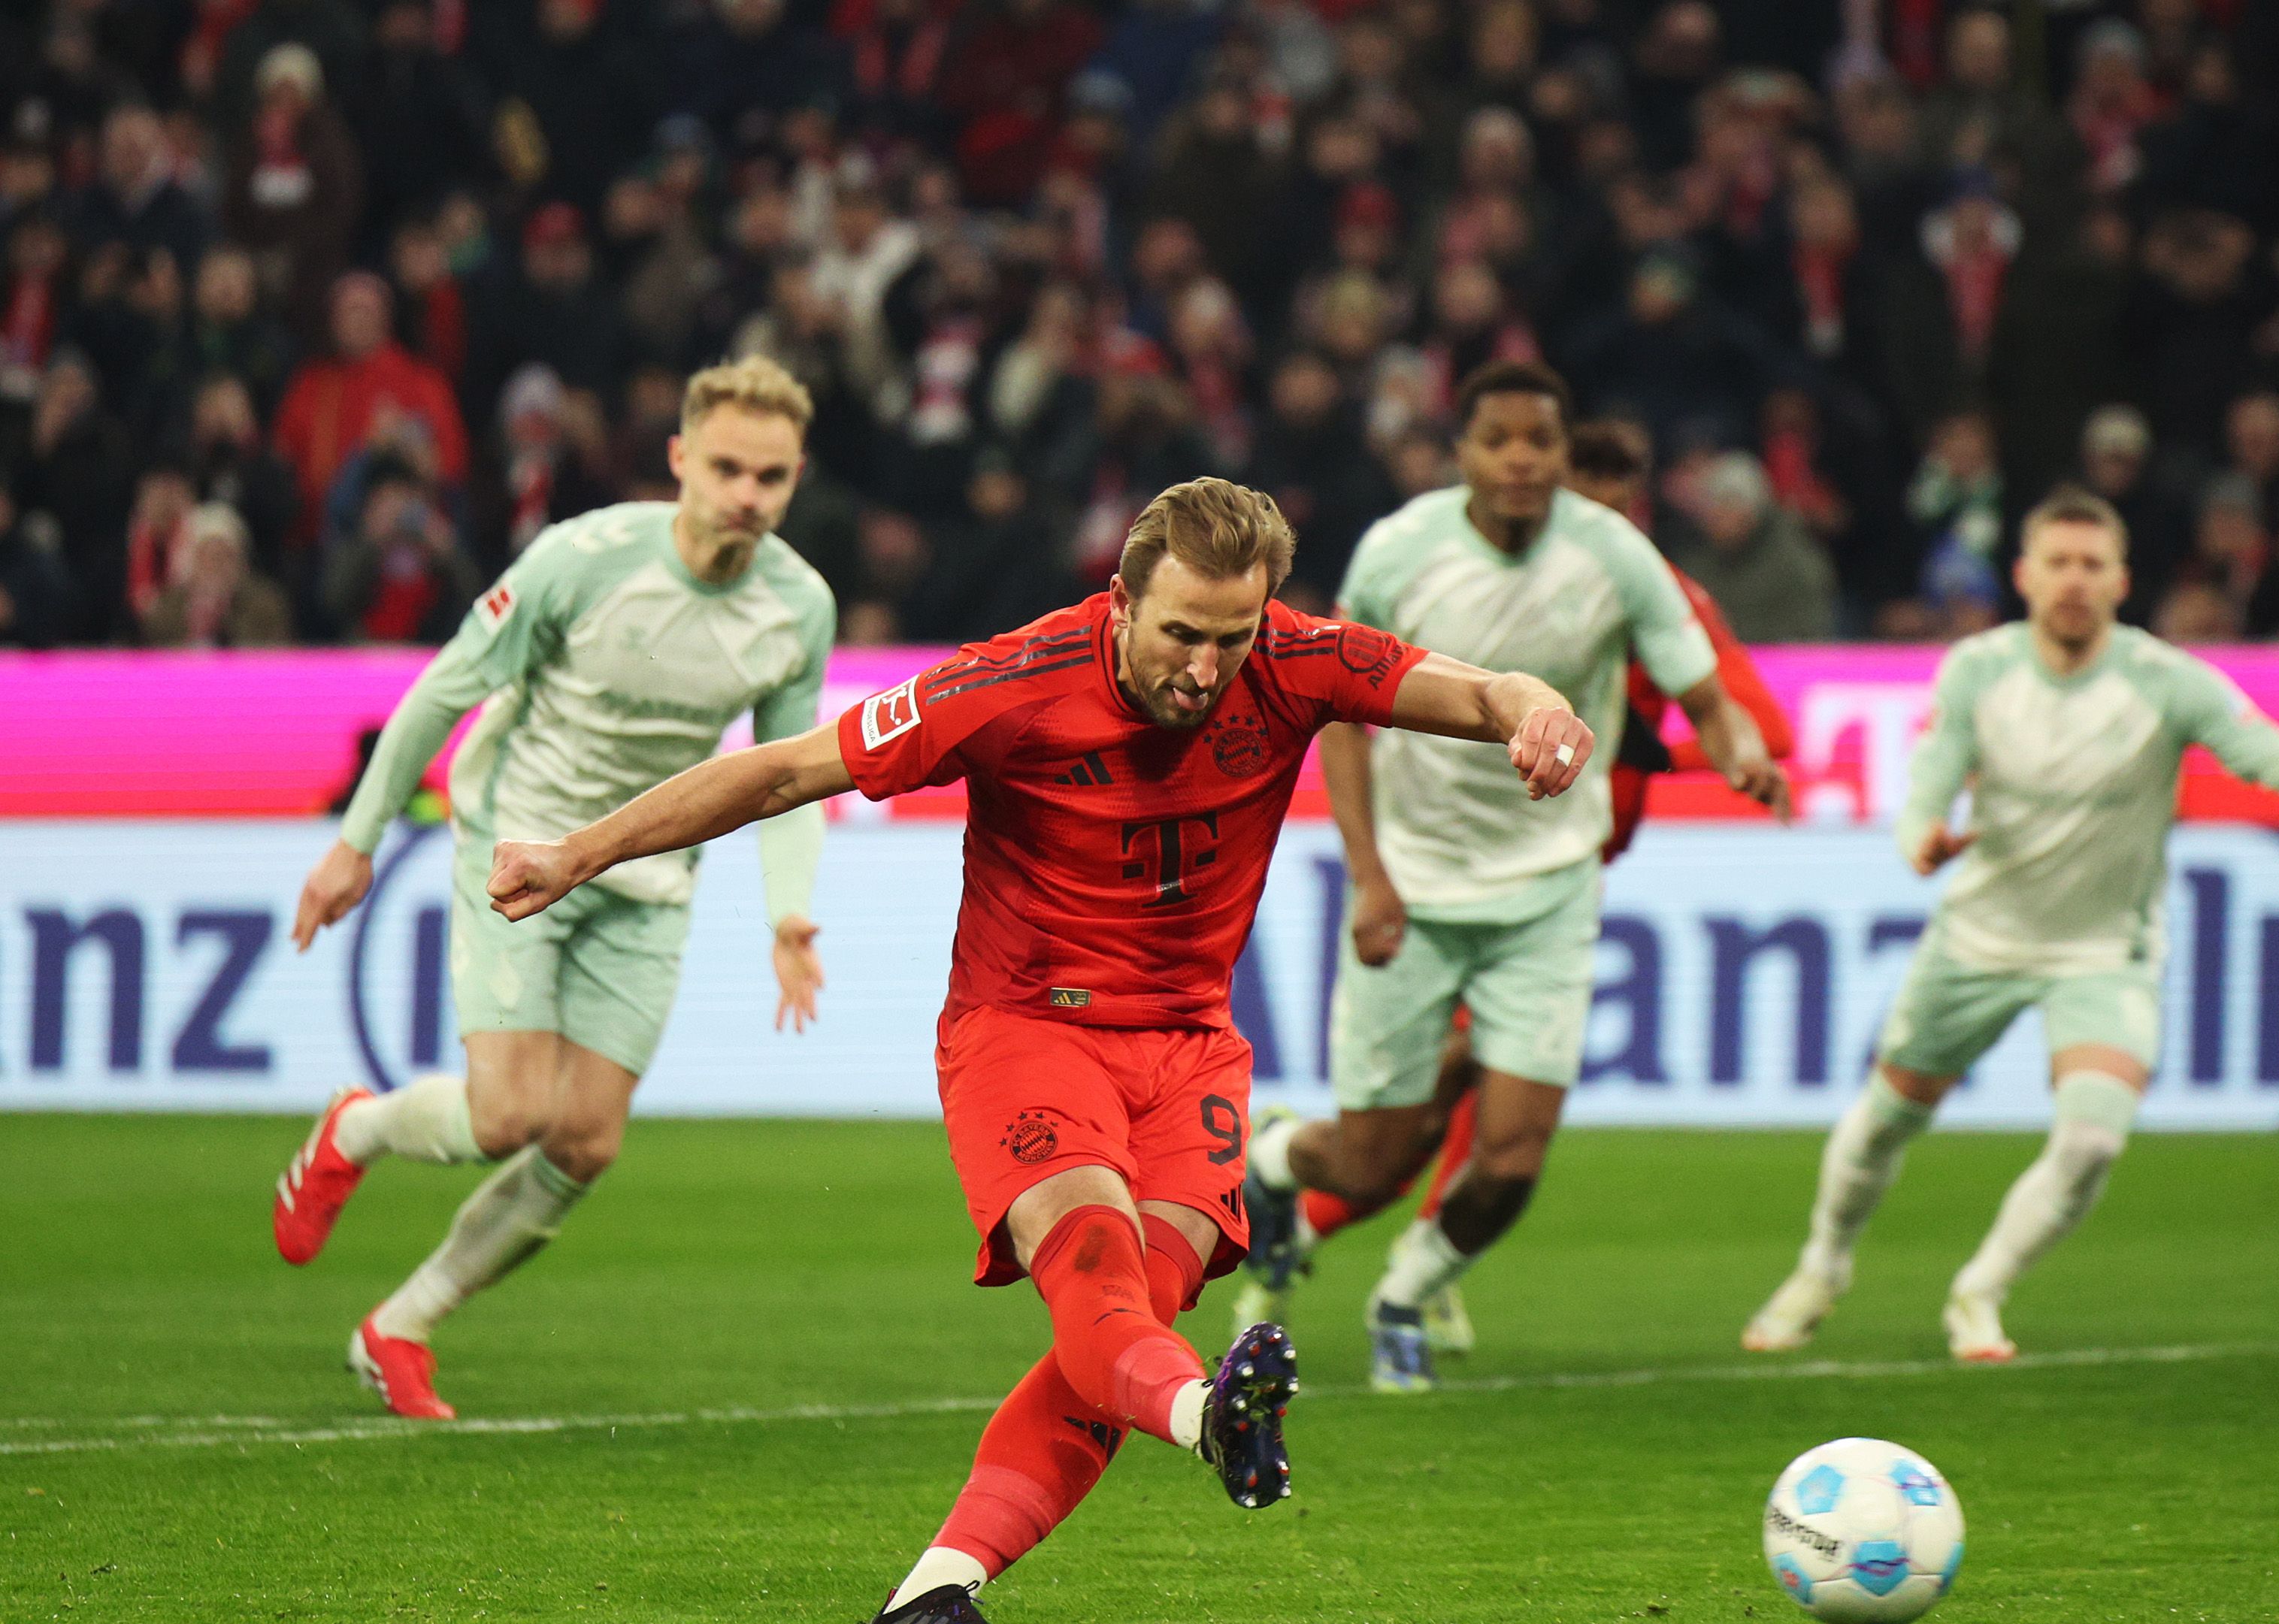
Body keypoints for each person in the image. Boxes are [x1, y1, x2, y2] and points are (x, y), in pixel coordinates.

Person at [480, 474, 1600, 1624]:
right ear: (1120, 601)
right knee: (1101, 1282)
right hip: (1029, 1031)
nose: (1206, 670)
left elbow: (1482, 690)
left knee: (1122, 1336)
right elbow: (780, 769)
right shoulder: (1006, 683)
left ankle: (936, 1590)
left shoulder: (1296, 658)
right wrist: (579, 853)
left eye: (1232, 638)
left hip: (1191, 1050)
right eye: (1181, 635)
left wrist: (1538, 712)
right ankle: (1204, 1419)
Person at [269, 356, 838, 1420]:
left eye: (771, 476)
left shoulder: (799, 606)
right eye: (726, 468)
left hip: (650, 876)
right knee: (507, 1116)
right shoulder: (582, 559)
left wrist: (788, 913)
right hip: (519, 844)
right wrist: (356, 841)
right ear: (679, 458)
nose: (747, 494)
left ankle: (401, 1324)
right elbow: (443, 689)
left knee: (584, 1141)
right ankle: (358, 1128)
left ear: (796, 478)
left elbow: (788, 773)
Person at [1236, 361, 1792, 1394]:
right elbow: (1335, 714)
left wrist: (1739, 754)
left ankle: (1406, 1294)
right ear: (1463, 452)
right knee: (1366, 1161)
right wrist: (1369, 875)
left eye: (1541, 439)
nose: (1522, 459)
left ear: (1562, 450)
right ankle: (1272, 1163)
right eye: (1499, 440)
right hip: (1417, 885)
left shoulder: (1614, 553)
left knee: (1511, 1158)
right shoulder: (1401, 550)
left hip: (1549, 889)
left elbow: (1704, 691)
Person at [1742, 487, 2279, 1362]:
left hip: (2103, 950)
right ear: (2024, 576)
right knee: (1883, 1120)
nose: (2074, 580)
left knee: (2093, 1137)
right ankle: (1822, 1264)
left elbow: (2254, 742)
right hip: (1979, 938)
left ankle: (1980, 1290)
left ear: (2120, 582)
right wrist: (1920, 834)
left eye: (2091, 565)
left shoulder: (2166, 680)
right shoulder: (1979, 670)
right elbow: (1931, 773)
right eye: (2058, 563)